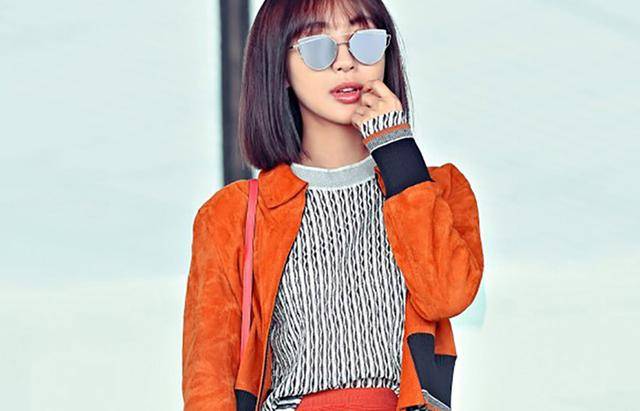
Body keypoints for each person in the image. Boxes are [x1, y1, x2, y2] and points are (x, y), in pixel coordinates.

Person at [182, 1, 484, 410]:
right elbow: (208, 382)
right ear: (279, 67)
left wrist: (396, 149)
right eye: (318, 47)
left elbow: (447, 296)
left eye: (364, 41)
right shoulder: (229, 216)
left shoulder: (437, 190)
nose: (345, 63)